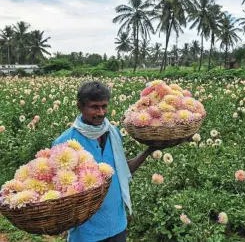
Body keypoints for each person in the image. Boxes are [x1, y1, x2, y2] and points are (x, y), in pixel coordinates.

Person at [53, 81, 184, 242]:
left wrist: (149, 149)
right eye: (94, 107)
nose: (101, 112)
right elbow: (61, 192)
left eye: (104, 106)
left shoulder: (113, 132)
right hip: (87, 231)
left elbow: (122, 170)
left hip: (117, 223)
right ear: (80, 106)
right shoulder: (65, 141)